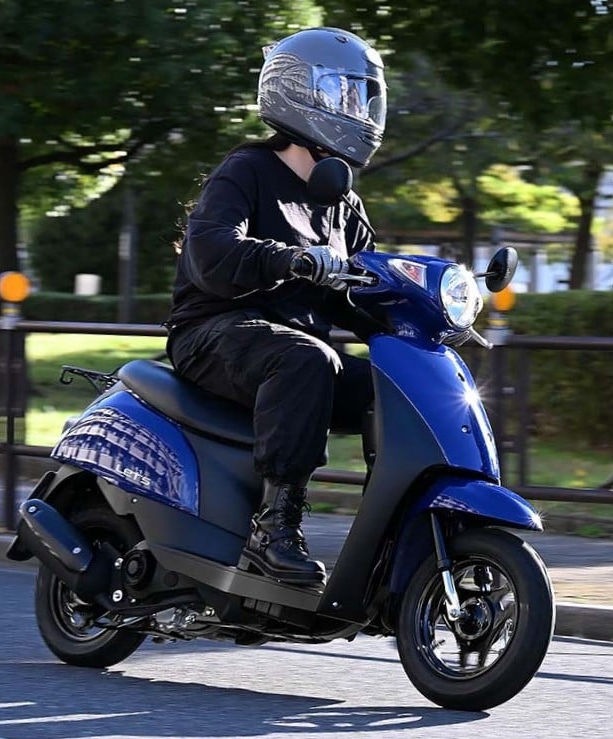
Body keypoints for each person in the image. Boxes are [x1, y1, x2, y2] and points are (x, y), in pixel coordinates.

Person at [164, 28, 387, 586]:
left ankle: (392, 531)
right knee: (308, 358)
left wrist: (419, 315)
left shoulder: (343, 202)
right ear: (300, 91)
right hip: (214, 331)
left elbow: (361, 289)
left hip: (289, 349)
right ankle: (274, 530)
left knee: (396, 386)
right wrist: (292, 260)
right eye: (343, 92)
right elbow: (210, 254)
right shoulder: (247, 171)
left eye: (363, 96)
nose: (358, 109)